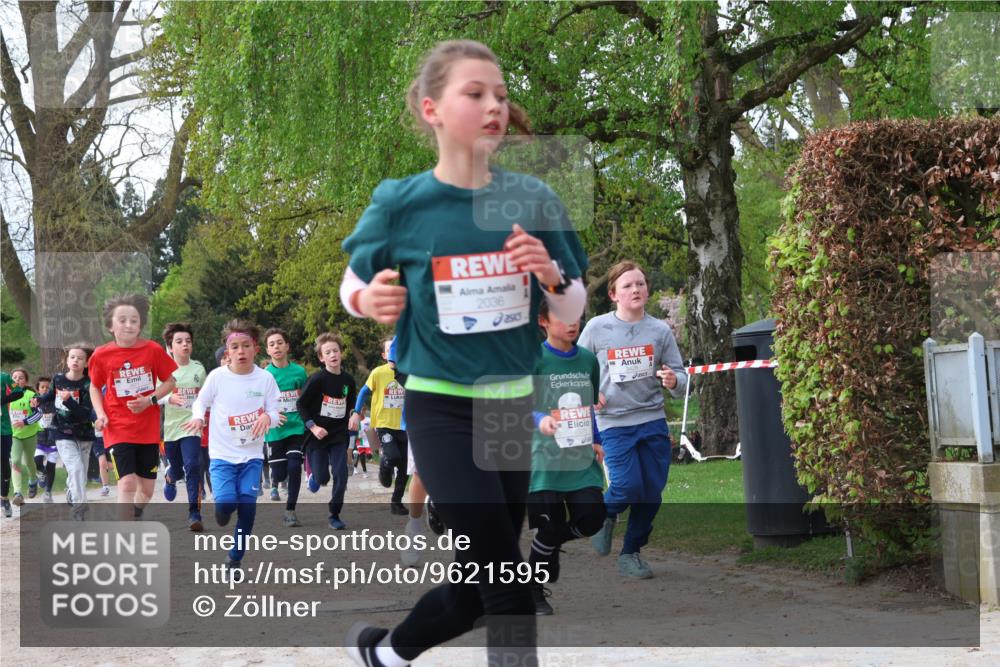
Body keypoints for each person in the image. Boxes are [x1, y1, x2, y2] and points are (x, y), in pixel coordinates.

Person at [339, 39, 587, 667]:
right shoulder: (403, 202)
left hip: (508, 406)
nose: (494, 105)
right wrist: (370, 300)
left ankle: (386, 655)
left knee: (483, 579)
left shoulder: (533, 198)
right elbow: (353, 281)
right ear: (433, 110)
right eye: (474, 93)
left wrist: (553, 279)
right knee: (509, 585)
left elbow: (573, 308)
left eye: (500, 94)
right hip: (441, 408)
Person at [577, 260, 688, 579]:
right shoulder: (597, 328)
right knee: (625, 486)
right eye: (627, 285)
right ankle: (605, 516)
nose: (635, 289)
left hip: (652, 420)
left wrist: (673, 381)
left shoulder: (660, 330)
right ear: (613, 294)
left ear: (647, 289)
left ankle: (631, 553)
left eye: (640, 283)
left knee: (651, 493)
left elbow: (680, 376)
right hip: (613, 422)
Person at [527, 299, 607, 613]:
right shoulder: (534, 359)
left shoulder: (588, 360)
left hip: (580, 458)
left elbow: (587, 404)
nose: (572, 323)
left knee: (592, 518)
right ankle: (532, 589)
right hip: (543, 459)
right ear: (543, 321)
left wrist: (596, 439)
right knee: (548, 525)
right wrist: (539, 420)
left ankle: (550, 544)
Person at [185, 319, 280, 569]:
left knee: (248, 508)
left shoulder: (265, 379)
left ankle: (235, 557)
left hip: (252, 457)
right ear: (227, 352)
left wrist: (268, 416)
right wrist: (197, 417)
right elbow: (200, 402)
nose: (241, 351)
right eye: (235, 347)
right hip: (222, 456)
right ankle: (222, 510)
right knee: (226, 503)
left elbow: (277, 410)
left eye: (246, 345)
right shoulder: (217, 377)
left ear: (255, 349)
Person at [88, 294, 177, 519]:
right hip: (117, 427)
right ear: (110, 326)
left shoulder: (153, 350)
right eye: (122, 320)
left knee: (146, 490)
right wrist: (100, 414)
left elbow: (170, 381)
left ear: (140, 325)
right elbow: (94, 387)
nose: (129, 325)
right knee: (127, 483)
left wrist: (150, 400)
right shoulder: (101, 355)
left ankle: (134, 513)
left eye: (134, 320)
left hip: (147, 428)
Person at [297, 332, 356, 531]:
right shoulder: (317, 380)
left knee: (342, 473)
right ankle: (315, 476)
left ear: (341, 354)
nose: (333, 355)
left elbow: (352, 404)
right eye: (327, 352)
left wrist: (355, 414)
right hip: (317, 436)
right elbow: (301, 405)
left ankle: (334, 514)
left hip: (339, 434)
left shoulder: (348, 380)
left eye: (335, 351)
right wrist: (313, 426)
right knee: (323, 478)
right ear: (322, 358)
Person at [33, 344, 96, 519]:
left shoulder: (88, 384)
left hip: (83, 433)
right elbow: (51, 395)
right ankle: (79, 508)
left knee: (80, 474)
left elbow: (85, 414)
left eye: (80, 358)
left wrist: (69, 401)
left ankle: (71, 490)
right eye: (72, 357)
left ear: (86, 363)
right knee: (75, 468)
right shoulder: (59, 378)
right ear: (67, 360)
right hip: (61, 432)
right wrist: (39, 399)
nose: (76, 360)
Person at [351, 337, 408, 514]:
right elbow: (363, 392)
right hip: (384, 424)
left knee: (405, 467)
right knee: (394, 457)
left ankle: (396, 502)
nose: (394, 351)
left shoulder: (409, 372)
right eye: (389, 349)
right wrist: (355, 412)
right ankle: (385, 463)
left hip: (405, 425)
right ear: (384, 355)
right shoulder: (378, 373)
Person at [161, 322, 207, 531]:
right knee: (179, 470)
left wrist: (201, 416)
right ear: (170, 347)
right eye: (179, 342)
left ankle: (194, 513)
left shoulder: (199, 369)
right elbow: (154, 397)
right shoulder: (163, 370)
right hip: (171, 428)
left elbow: (205, 396)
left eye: (188, 341)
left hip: (192, 426)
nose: (184, 345)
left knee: (193, 466)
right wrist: (169, 398)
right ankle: (170, 477)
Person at [262, 328, 308, 527]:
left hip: (296, 428)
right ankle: (276, 481)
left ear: (287, 346)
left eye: (280, 342)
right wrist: (269, 415)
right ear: (267, 350)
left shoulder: (299, 372)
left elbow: (305, 397)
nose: (276, 347)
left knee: (295, 467)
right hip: (274, 431)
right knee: (280, 473)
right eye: (272, 344)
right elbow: (259, 402)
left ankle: (290, 510)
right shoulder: (265, 375)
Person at [7, 368, 41, 506]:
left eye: (21, 378)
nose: (17, 380)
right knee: (15, 461)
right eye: (14, 377)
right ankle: (18, 493)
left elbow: (38, 414)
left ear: (25, 381)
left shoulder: (31, 395)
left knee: (28, 462)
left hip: (29, 434)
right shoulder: (6, 396)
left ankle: (33, 480)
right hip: (14, 435)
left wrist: (24, 422)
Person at [1, 371, 26, 517]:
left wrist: (2, 400)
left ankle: (4, 498)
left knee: (4, 462)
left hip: (3, 430)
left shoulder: (4, 377)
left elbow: (19, 391)